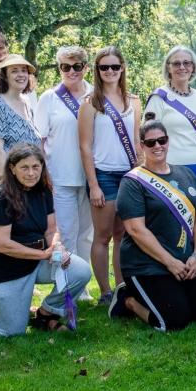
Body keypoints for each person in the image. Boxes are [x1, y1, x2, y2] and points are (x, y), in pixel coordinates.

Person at [0, 144, 91, 335]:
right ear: (12, 168)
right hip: (4, 268)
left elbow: (52, 229)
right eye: (24, 167)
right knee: (9, 330)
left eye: (36, 167)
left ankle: (46, 314)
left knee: (79, 271)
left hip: (35, 261)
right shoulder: (0, 194)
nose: (31, 173)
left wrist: (56, 245)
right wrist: (43, 254)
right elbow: (1, 244)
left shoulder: (43, 189)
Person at [108, 120, 196, 331]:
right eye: (150, 143)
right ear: (141, 146)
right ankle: (127, 301)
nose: (157, 146)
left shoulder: (186, 174)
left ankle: (175, 291)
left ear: (168, 141)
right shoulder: (132, 182)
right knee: (174, 321)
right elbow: (136, 229)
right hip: (148, 265)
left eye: (162, 140)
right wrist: (170, 262)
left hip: (186, 262)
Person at [78, 45, 142, 304]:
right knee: (102, 236)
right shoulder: (90, 103)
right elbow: (84, 146)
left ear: (122, 68)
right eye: (104, 67)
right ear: (97, 70)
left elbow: (137, 140)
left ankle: (121, 286)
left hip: (129, 175)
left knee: (123, 236)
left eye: (115, 66)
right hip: (103, 176)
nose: (110, 71)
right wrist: (93, 185)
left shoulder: (134, 101)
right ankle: (105, 291)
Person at [35, 46, 94, 267]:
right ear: (59, 69)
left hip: (91, 177)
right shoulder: (49, 98)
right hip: (60, 176)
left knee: (87, 234)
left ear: (86, 68)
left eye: (77, 66)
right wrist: (43, 177)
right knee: (65, 233)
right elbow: (39, 140)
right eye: (65, 67)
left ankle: (82, 281)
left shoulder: (96, 95)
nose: (71, 71)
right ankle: (65, 282)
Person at [143, 45, 196, 193]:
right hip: (170, 167)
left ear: (193, 67)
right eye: (176, 63)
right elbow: (147, 138)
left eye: (187, 63)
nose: (182, 67)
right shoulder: (159, 97)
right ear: (168, 67)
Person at [0, 54, 41, 199]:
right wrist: (11, 188)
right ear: (4, 76)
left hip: (27, 181)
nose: (21, 75)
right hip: (6, 187)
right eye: (14, 71)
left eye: (24, 70)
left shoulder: (26, 102)